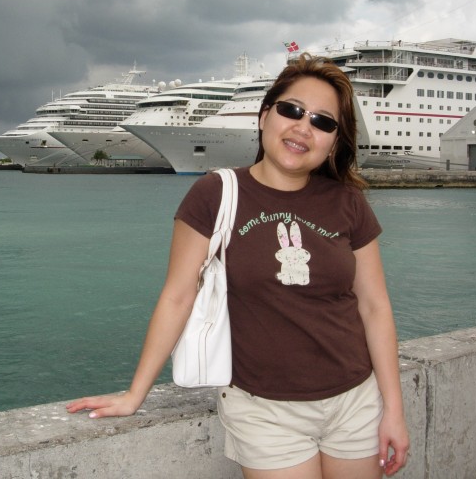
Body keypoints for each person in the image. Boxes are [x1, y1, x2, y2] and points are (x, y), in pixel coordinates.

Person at [67, 54, 410, 478]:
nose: (304, 127)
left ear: (335, 142)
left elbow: (374, 307)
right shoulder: (215, 194)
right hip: (264, 410)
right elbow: (178, 295)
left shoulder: (348, 203)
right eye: (292, 110)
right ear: (265, 115)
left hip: (356, 400)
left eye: (323, 121)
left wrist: (392, 410)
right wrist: (137, 393)